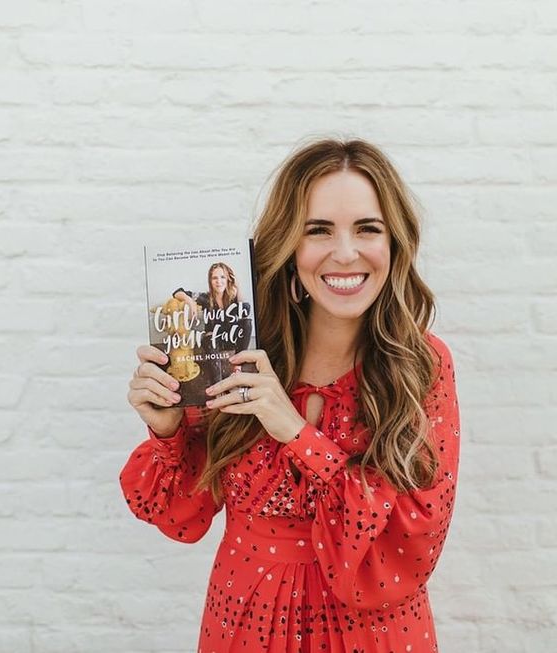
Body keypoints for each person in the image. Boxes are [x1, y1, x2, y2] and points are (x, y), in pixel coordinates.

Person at [120, 138, 460, 652]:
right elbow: (178, 514)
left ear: (394, 243)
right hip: (244, 624)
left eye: (367, 229)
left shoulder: (422, 366)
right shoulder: (233, 352)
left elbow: (414, 540)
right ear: (289, 246)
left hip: (372, 634)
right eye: (318, 230)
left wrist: (296, 433)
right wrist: (167, 430)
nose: (345, 253)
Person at [172, 262, 254, 382]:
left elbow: (245, 311)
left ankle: (237, 367)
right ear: (210, 281)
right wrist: (189, 301)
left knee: (247, 322)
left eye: (222, 277)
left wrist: (237, 286)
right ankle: (218, 385)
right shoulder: (205, 298)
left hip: (231, 339)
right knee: (209, 338)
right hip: (213, 341)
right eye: (214, 278)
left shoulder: (232, 298)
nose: (218, 281)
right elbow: (177, 292)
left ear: (228, 279)